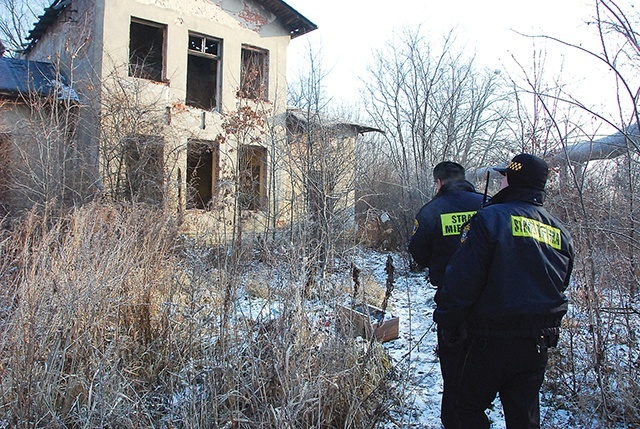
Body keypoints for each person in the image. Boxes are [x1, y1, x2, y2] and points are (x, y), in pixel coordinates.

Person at [434, 153, 575, 429]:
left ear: (511, 181)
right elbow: (561, 282)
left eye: (503, 177)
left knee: (462, 411)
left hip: (489, 340)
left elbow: (462, 282)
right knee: (524, 418)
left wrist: (447, 324)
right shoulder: (560, 231)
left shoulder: (489, 219)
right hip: (537, 343)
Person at [408, 161, 485, 429]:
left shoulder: (432, 211)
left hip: (452, 305)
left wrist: (441, 262)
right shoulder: (489, 205)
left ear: (438, 182)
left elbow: (417, 252)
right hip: (490, 305)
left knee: (454, 376)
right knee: (484, 374)